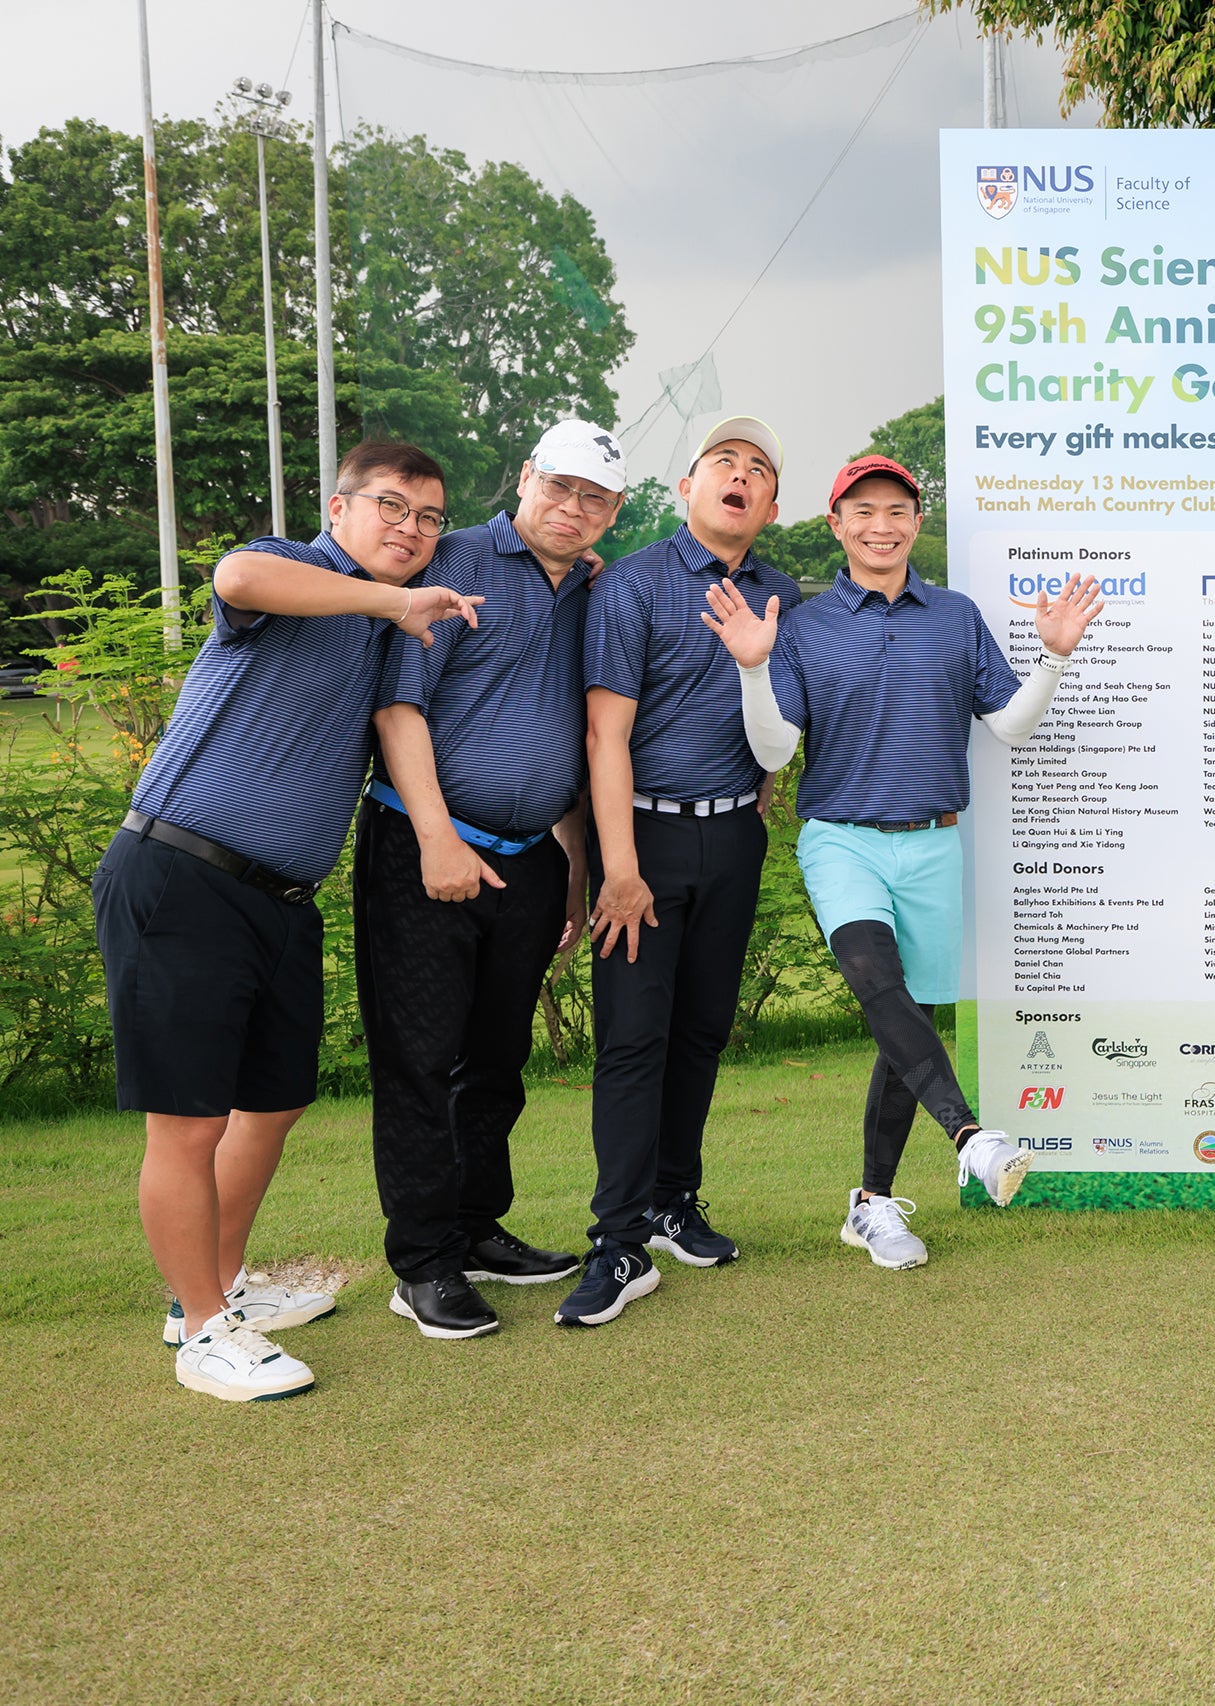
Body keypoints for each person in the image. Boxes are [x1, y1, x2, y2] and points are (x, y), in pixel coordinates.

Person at [98, 440, 483, 1400]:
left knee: (271, 1104)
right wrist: (390, 600)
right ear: (339, 507)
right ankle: (201, 1330)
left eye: (429, 518)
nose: (411, 529)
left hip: (279, 901)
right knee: (187, 1123)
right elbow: (237, 576)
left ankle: (218, 1285)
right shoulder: (295, 570)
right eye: (391, 506)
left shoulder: (387, 628)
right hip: (181, 874)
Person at [701, 455, 1100, 1270]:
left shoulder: (956, 616)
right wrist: (753, 667)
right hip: (841, 838)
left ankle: (872, 1205)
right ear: (836, 524)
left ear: (917, 522)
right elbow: (775, 749)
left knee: (903, 1023)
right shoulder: (803, 624)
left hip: (933, 843)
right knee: (877, 983)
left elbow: (1011, 725)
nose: (880, 526)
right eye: (863, 511)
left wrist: (1055, 656)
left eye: (896, 511)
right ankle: (971, 1136)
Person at [355, 421, 629, 1340]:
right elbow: (399, 706)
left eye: (595, 498)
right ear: (525, 478)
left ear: (614, 511)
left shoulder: (594, 590)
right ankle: (423, 1263)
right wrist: (437, 839)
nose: (573, 509)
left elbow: (580, 738)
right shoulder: (454, 560)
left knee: (496, 1062)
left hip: (529, 858)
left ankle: (475, 1229)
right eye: (560, 487)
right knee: (420, 1062)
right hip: (423, 846)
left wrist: (575, 865)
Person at [566, 417, 801, 1328]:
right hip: (645, 840)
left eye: (758, 471)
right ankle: (617, 1240)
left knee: (701, 1032)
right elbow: (605, 735)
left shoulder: (781, 593)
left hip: (733, 836)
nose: (740, 477)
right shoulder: (633, 584)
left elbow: (781, 723)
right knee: (633, 1041)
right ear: (688, 488)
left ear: (770, 507)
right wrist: (619, 869)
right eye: (723, 463)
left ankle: (672, 1202)